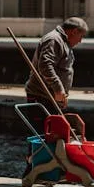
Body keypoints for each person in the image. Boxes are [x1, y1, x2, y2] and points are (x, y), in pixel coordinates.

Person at [22, 17, 88, 176]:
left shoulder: (62, 41)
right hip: (41, 96)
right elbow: (45, 65)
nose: (81, 41)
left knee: (52, 134)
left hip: (51, 97)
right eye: (81, 36)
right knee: (42, 135)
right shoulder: (54, 40)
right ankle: (33, 170)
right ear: (73, 32)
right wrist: (58, 89)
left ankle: (47, 171)